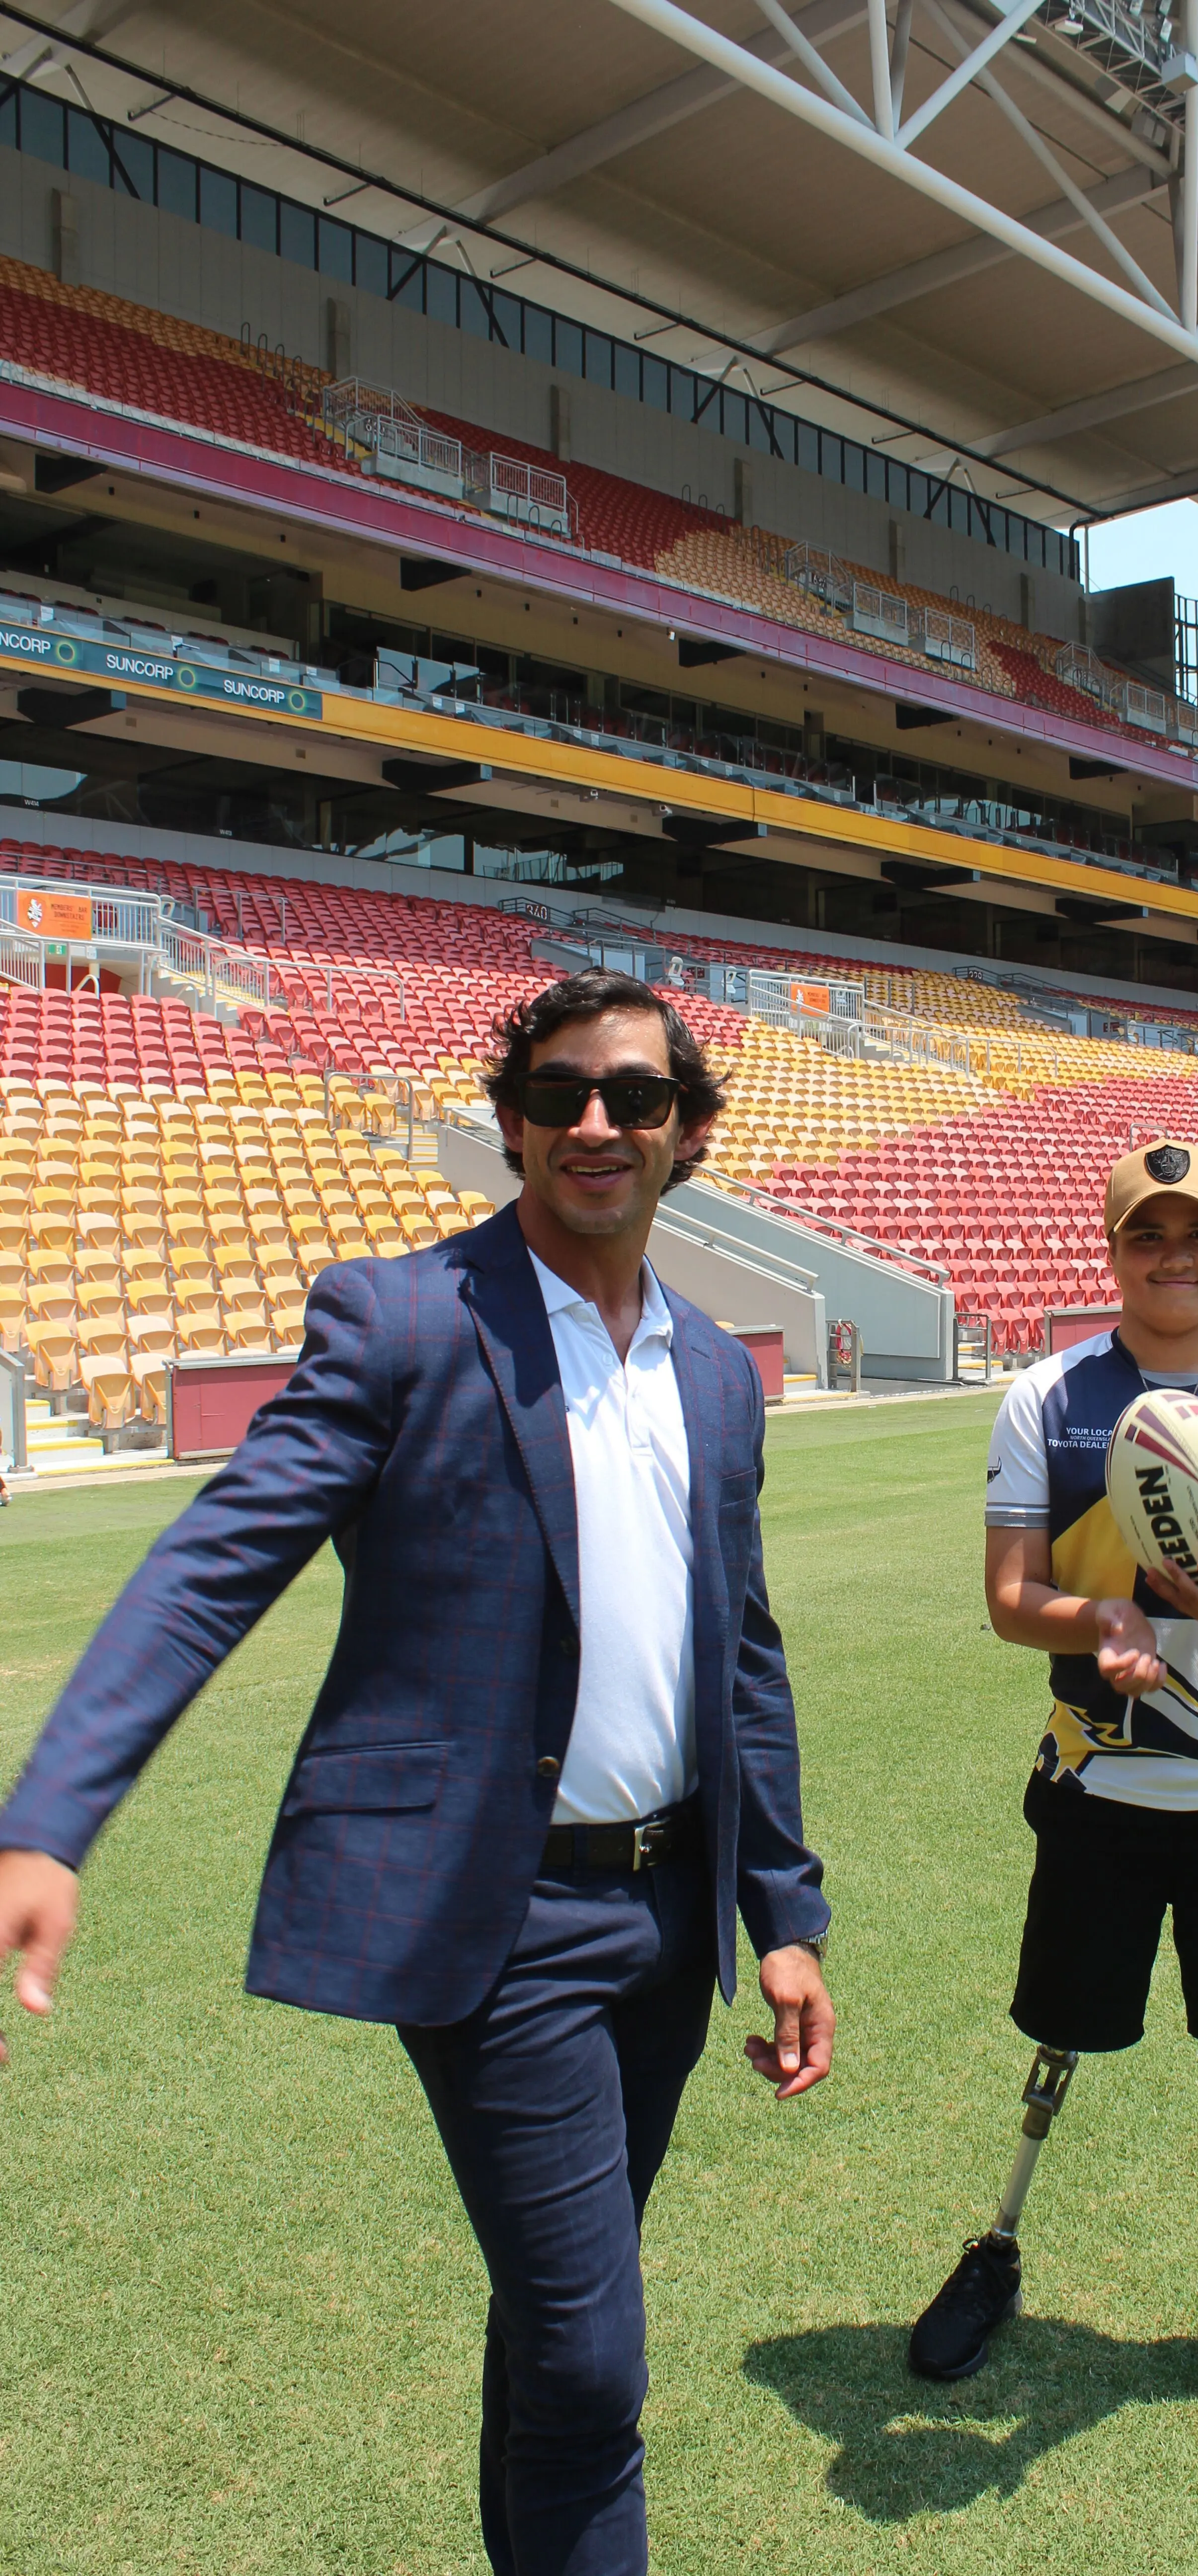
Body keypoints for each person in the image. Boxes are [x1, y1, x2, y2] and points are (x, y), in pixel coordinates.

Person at [0, 967, 834, 2575]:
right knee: (594, 2363)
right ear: (512, 1120)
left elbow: (744, 1654)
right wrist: (51, 1818)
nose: (598, 1123)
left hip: (668, 1923)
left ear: (690, 1136)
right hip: (499, 1918)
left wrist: (779, 1912)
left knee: (553, 2328)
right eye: (562, 1094)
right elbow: (211, 1565)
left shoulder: (719, 1372)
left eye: (637, 1098)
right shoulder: (402, 1319)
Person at [910, 1139, 1198, 2440]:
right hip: (1101, 1790)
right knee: (1064, 2019)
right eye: (1148, 1236)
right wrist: (1093, 1618)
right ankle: (998, 2249)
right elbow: (1010, 1599)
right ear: (1112, 1254)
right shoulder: (1047, 1399)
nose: (1175, 1257)